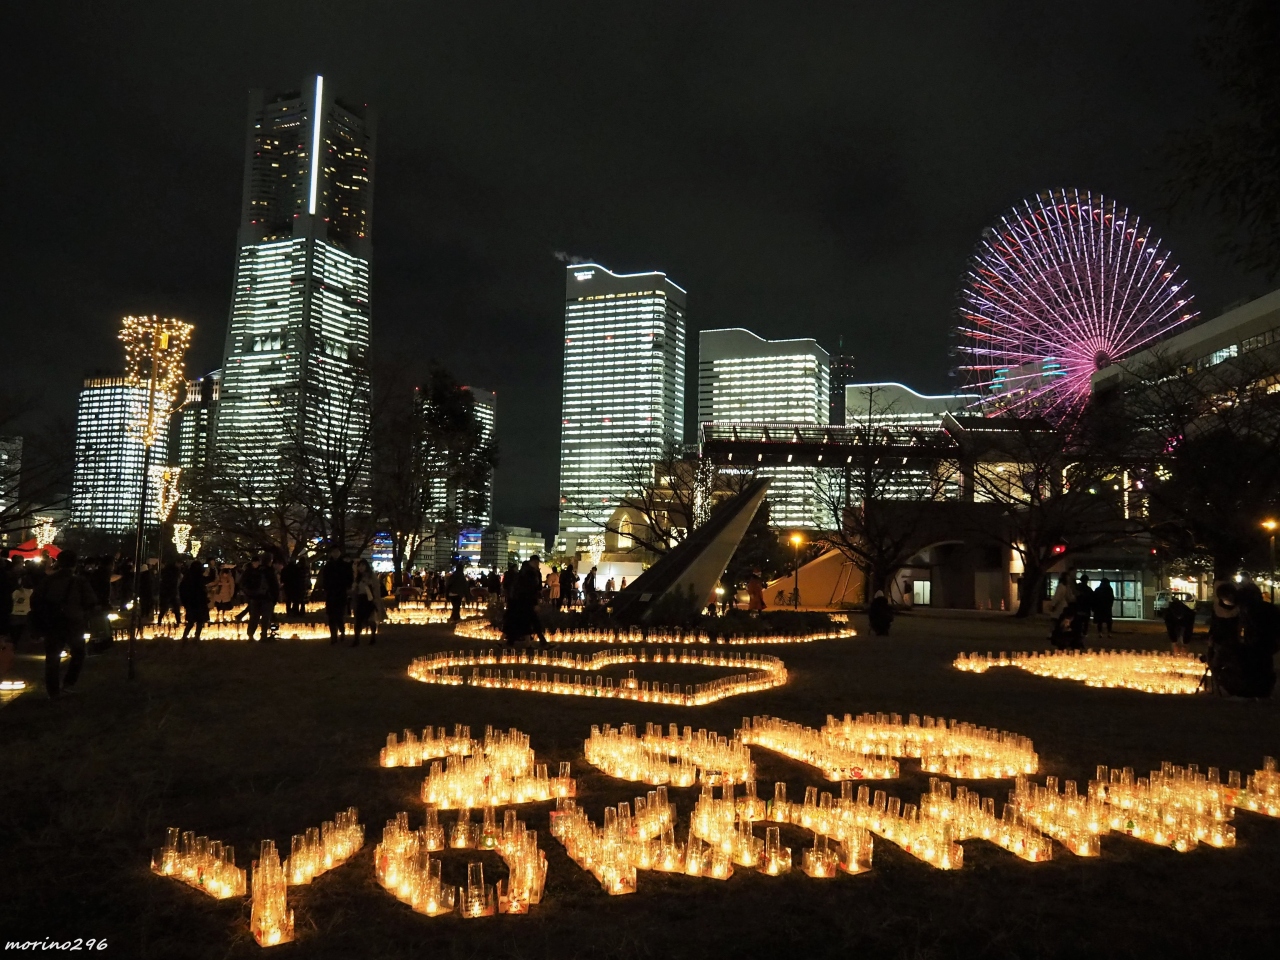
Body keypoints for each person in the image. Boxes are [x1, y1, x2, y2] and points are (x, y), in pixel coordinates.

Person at [30, 549, 98, 699]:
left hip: (52, 622)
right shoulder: (79, 581)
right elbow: (91, 601)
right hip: (73, 622)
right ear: (75, 564)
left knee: (52, 657)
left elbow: (35, 600)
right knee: (78, 653)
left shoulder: (48, 580)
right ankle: (68, 684)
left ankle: (53, 692)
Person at [321, 545, 354, 644]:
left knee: (339, 615)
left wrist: (346, 586)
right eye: (333, 552)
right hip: (331, 593)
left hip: (340, 593)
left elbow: (350, 578)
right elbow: (324, 579)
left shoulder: (345, 565)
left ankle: (342, 631)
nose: (335, 554)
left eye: (337, 551)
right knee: (331, 616)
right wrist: (326, 588)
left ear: (339, 553)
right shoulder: (328, 565)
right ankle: (333, 636)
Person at [241, 554, 276, 642]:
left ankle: (251, 635)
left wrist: (248, 594)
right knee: (264, 617)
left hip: (255, 597)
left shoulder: (248, 571)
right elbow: (274, 584)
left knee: (254, 617)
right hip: (265, 597)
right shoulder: (267, 571)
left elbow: (242, 584)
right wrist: (274, 598)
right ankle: (262, 635)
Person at [350, 559, 380, 646]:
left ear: (366, 566)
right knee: (358, 619)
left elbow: (376, 588)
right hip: (360, 599)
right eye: (359, 566)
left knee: (370, 619)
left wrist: (376, 600)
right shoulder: (357, 577)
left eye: (363, 565)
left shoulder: (371, 576)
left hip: (369, 599)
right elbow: (355, 589)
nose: (361, 567)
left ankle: (373, 636)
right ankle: (356, 639)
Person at [179, 560, 210, 641]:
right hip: (198, 602)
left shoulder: (188, 577)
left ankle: (186, 637)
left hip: (191, 602)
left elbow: (182, 589)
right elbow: (202, 589)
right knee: (199, 621)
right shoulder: (199, 578)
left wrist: (184, 601)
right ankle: (195, 637)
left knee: (191, 621)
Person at [158, 559, 182, 628]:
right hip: (170, 591)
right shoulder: (175, 571)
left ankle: (160, 621)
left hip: (167, 591)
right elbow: (175, 582)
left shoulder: (167, 571)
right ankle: (178, 621)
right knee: (175, 607)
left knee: (165, 607)